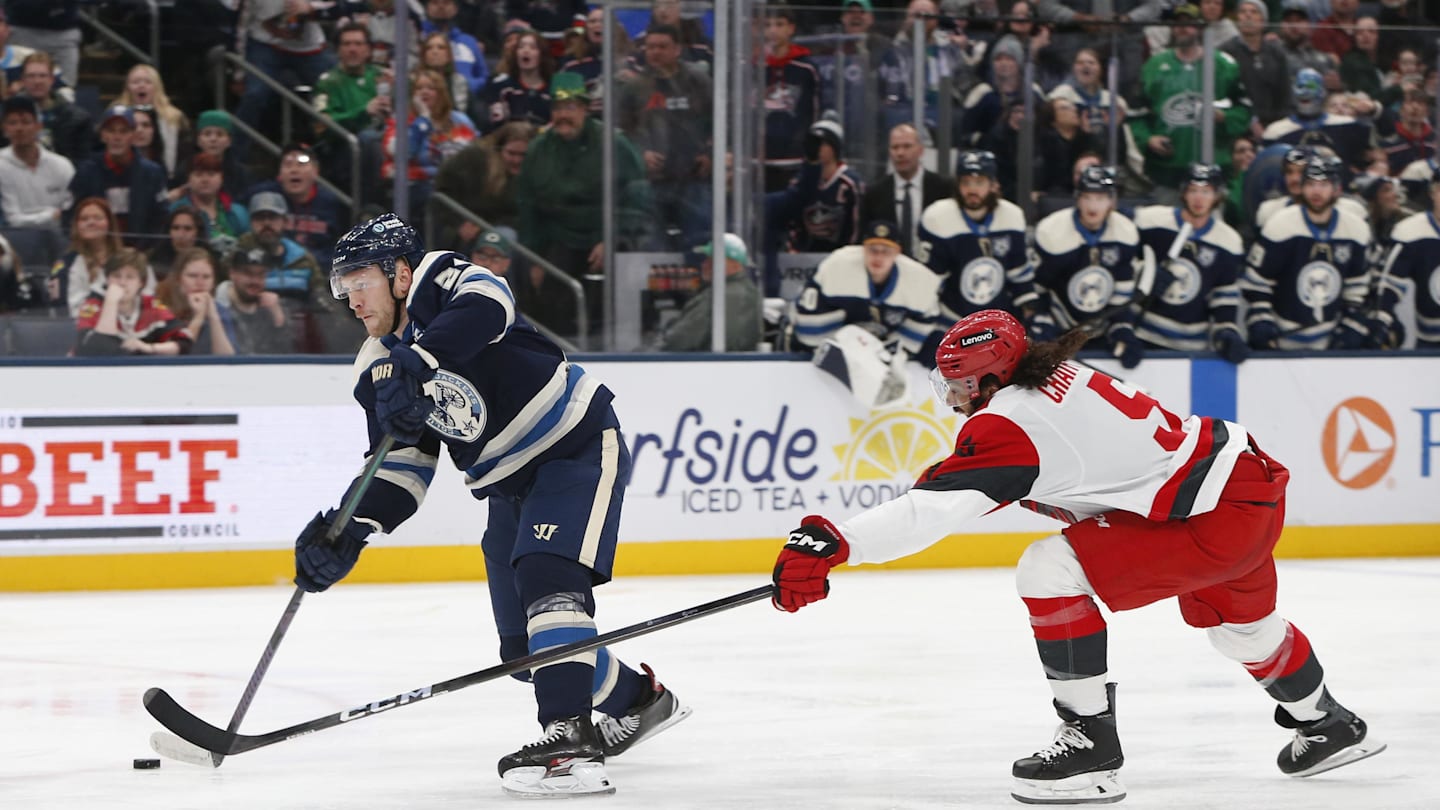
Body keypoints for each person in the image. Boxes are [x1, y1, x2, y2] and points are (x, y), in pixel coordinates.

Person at [769, 308, 1386, 805]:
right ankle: (1328, 722)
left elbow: (934, 509)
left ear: (989, 378)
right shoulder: (1053, 377)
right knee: (1242, 631)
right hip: (1241, 490)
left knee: (1048, 567)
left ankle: (1091, 743)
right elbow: (974, 474)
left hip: (1210, 517)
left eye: (959, 382)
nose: (952, 394)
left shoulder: (1012, 421)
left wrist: (833, 542)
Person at [303, 212, 689, 797]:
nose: (352, 300)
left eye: (361, 282)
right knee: (522, 649)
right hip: (507, 485)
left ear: (400, 272)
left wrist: (422, 360)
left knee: (547, 576)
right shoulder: (375, 363)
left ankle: (569, 737)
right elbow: (406, 466)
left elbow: (491, 305)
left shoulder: (443, 280)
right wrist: (349, 529)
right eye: (344, 288)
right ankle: (643, 701)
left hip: (574, 448)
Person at [514, 72, 651, 335]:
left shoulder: (613, 144)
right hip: (560, 235)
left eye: (571, 107)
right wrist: (535, 259)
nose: (563, 115)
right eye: (557, 107)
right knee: (551, 292)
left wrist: (610, 237)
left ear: (585, 109)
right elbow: (528, 206)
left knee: (623, 268)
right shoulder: (538, 150)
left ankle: (630, 340)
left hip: (610, 233)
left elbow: (636, 195)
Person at [1241, 156, 1372, 351]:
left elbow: (1358, 288)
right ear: (1302, 188)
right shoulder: (1280, 225)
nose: (1316, 191)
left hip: (1331, 341)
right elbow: (1257, 284)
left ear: (1336, 189)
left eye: (1324, 184)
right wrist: (1262, 322)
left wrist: (1351, 327)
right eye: (1310, 184)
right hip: (1282, 338)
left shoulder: (1356, 229)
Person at [1028, 165, 1148, 368]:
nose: (1093, 206)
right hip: (1058, 325)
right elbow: (1037, 290)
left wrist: (1121, 330)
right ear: (1078, 198)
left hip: (1100, 328)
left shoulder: (1125, 232)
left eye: (1100, 199)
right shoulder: (1052, 231)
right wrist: (1041, 324)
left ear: (1112, 201)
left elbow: (1121, 294)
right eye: (1087, 198)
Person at [1131, 164, 1248, 362]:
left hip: (1191, 348)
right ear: (1184, 192)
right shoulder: (1150, 221)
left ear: (1217, 196)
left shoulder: (1229, 241)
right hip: (1143, 336)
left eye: (1206, 192)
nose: (1199, 198)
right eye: (1193, 190)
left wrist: (1226, 333)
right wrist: (1144, 274)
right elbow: (1122, 262)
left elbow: (1223, 298)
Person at [1130, 4, 1250, 191]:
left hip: (1214, 167)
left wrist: (1224, 117)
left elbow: (1244, 110)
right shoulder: (1153, 66)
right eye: (1177, 24)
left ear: (1200, 28)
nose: (1182, 28)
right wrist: (1148, 139)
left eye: (1189, 23)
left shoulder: (1224, 65)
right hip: (1167, 170)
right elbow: (1137, 114)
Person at [617, 23, 713, 252]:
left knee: (699, 246)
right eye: (650, 47)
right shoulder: (635, 87)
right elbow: (622, 132)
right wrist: (641, 154)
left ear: (677, 49)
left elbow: (718, 122)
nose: (655, 52)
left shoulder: (698, 81)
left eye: (662, 46)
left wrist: (710, 154)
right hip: (651, 183)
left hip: (692, 180)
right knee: (652, 249)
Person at [791, 220, 941, 361]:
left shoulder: (920, 281)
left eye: (886, 251)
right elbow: (810, 331)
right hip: (834, 351)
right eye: (873, 249)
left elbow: (923, 326)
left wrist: (887, 355)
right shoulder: (836, 267)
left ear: (897, 253)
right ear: (863, 249)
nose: (878, 256)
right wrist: (844, 350)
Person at [916, 149, 1033, 326]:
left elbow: (1019, 273)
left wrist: (1029, 309)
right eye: (966, 182)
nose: (972, 189)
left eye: (979, 182)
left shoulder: (1012, 217)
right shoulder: (938, 218)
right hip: (951, 320)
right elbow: (930, 281)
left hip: (997, 321)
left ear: (993, 185)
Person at [69, 105, 169, 246]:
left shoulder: (152, 173)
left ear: (133, 136)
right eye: (111, 131)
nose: (117, 137)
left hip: (141, 254)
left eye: (123, 131)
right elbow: (71, 216)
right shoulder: (86, 172)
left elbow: (161, 218)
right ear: (103, 135)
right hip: (96, 250)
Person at [433, 120, 536, 250]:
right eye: (511, 153)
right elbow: (443, 192)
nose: (517, 160)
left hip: (504, 226)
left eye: (523, 155)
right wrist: (459, 223)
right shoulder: (472, 160)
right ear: (499, 149)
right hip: (464, 224)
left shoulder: (535, 172)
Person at [73, 248, 191, 356]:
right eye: (116, 276)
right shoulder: (93, 305)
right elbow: (96, 350)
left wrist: (149, 348)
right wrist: (111, 303)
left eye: (130, 277)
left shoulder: (151, 306)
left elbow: (185, 342)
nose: (122, 283)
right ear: (107, 279)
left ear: (141, 283)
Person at [248, 144, 348, 269]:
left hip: (322, 271)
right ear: (279, 174)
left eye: (301, 164)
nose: (294, 170)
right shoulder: (264, 196)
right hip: (272, 268)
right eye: (288, 164)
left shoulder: (332, 203)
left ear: (315, 171)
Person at [661, 233, 763, 352]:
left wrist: (666, 332)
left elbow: (677, 340)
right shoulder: (752, 291)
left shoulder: (715, 297)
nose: (704, 264)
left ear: (735, 265)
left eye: (712, 260)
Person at [860, 124, 951, 257]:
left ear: (921, 150)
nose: (900, 153)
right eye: (895, 147)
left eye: (907, 146)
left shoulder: (943, 189)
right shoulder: (874, 194)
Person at [1261, 68, 1375, 173]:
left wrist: (1374, 109)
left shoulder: (1348, 125)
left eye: (1310, 86)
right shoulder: (1275, 132)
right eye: (1300, 86)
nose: (1305, 92)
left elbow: (1367, 160)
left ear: (1322, 92)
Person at [1375, 171, 1440, 349]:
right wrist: (1382, 322)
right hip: (1430, 344)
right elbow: (1389, 286)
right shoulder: (1410, 232)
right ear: (1432, 192)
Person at [761, 3, 820, 191]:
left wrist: (809, 150)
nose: (773, 30)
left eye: (779, 24)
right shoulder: (754, 68)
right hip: (760, 160)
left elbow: (814, 111)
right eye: (768, 25)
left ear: (791, 28)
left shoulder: (806, 68)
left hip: (795, 159)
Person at [0, 95, 74, 230]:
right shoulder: (1, 165)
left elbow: (70, 211)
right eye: (13, 123)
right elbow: (13, 220)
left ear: (38, 126)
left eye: (26, 122)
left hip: (60, 236)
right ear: (5, 129)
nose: (19, 128)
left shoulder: (62, 165)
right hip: (17, 238)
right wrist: (52, 216)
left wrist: (57, 217)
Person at [1221, 0, 1292, 134]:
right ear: (1237, 19)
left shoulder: (1276, 53)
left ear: (1263, 21)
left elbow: (1284, 94)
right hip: (1237, 127)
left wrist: (1278, 127)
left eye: (1254, 12)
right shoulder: (1226, 52)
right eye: (1243, 12)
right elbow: (1225, 95)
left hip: (1273, 127)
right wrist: (1247, 122)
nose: (1248, 16)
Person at [49, 197, 128, 317]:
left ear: (110, 223)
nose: (91, 223)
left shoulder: (130, 259)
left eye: (98, 218)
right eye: (84, 219)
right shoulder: (66, 264)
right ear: (77, 226)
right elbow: (66, 309)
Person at [113, 64, 192, 178]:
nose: (141, 86)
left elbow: (185, 154)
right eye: (135, 82)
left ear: (157, 87)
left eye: (147, 82)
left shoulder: (175, 117)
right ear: (127, 87)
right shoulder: (115, 114)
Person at [155, 247, 236, 356]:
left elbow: (228, 359)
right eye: (192, 276)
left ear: (213, 282)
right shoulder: (160, 309)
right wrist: (199, 317)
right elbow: (172, 356)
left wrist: (213, 316)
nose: (200, 283)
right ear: (179, 279)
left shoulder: (220, 311)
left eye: (206, 277)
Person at [14, 51, 90, 164]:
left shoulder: (77, 119)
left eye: (42, 76)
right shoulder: (5, 116)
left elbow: (83, 162)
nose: (37, 81)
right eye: (31, 76)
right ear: (23, 80)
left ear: (52, 79)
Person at [215, 247, 293, 355]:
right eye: (248, 273)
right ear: (232, 274)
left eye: (261, 274)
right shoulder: (216, 310)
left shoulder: (273, 308)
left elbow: (288, 357)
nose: (255, 281)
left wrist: (278, 320)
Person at [477, 30, 555, 135]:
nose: (525, 51)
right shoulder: (500, 85)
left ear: (542, 54)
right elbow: (494, 124)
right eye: (521, 47)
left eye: (533, 47)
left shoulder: (553, 89)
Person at [172, 153, 249, 255]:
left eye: (211, 174)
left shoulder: (238, 212)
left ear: (222, 178)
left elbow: (248, 246)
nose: (205, 180)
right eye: (198, 174)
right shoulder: (176, 210)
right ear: (189, 179)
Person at [149, 206, 210, 279]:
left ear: (198, 232)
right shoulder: (154, 260)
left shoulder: (210, 260)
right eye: (175, 228)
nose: (180, 235)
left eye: (188, 229)